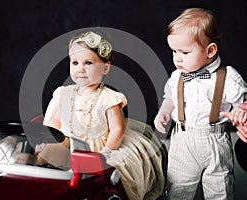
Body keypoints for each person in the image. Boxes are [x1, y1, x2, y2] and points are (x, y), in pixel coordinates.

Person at [36, 31, 166, 200]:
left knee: (98, 183)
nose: (80, 69)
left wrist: (107, 152)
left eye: (88, 63)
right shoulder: (64, 94)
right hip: (70, 144)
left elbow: (117, 129)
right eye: (75, 62)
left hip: (97, 149)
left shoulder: (109, 98)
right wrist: (48, 140)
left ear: (105, 67)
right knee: (46, 167)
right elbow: (54, 121)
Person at [154, 8, 247, 199]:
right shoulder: (177, 76)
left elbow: (243, 104)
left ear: (210, 50)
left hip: (215, 141)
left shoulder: (228, 77)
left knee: (220, 188)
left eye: (184, 52)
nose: (177, 58)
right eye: (174, 51)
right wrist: (164, 111)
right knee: (177, 188)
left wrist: (241, 112)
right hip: (182, 140)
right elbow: (170, 98)